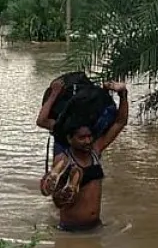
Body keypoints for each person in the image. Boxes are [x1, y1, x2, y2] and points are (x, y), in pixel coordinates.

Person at [40, 82, 128, 231]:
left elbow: (120, 122)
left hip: (95, 226)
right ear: (70, 139)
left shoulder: (95, 150)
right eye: (82, 138)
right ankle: (63, 184)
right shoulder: (63, 159)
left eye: (89, 136)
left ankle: (71, 183)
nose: (87, 141)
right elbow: (42, 121)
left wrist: (123, 95)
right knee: (59, 189)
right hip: (71, 230)